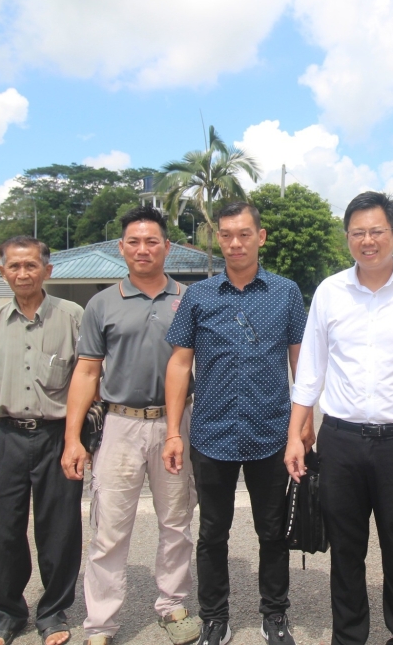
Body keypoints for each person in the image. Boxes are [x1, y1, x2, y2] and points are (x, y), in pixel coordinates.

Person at [284, 191, 393, 645]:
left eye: (376, 231)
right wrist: (295, 436)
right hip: (340, 440)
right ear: (347, 239)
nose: (367, 240)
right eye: (357, 233)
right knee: (345, 551)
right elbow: (310, 371)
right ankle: (350, 638)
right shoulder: (330, 291)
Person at [164, 202, 312, 645]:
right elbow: (179, 363)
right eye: (226, 234)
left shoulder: (285, 293)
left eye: (244, 234)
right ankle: (215, 618)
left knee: (272, 531)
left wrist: (304, 426)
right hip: (211, 433)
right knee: (212, 533)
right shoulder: (198, 296)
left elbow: (301, 360)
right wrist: (174, 430)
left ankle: (275, 614)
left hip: (271, 432)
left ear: (260, 237)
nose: (234, 243)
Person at [61, 206, 200, 645]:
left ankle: (172, 605)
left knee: (177, 521)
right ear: (121, 248)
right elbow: (86, 372)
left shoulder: (190, 299)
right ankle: (100, 624)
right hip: (120, 425)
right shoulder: (101, 303)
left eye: (152, 241)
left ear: (167, 247)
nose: (143, 250)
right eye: (134, 242)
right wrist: (72, 439)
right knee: (109, 528)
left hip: (175, 424)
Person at [0, 236, 83, 645]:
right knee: (3, 529)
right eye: (14, 267)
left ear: (47, 270)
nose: (22, 273)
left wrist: (77, 439)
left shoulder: (72, 316)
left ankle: (53, 611)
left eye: (31, 265)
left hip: (57, 436)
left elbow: (88, 380)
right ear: (2, 273)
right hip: (8, 436)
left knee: (59, 527)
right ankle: (7, 612)